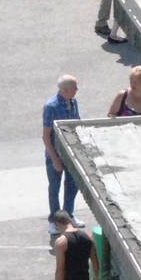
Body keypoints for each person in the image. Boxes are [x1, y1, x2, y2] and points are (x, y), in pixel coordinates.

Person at [42, 75, 82, 232]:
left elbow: (77, 125)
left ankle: (68, 216)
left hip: (71, 153)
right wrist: (55, 159)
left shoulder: (73, 102)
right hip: (56, 154)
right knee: (54, 187)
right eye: (74, 87)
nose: (77, 90)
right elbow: (46, 136)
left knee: (72, 186)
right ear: (65, 90)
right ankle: (54, 220)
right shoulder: (51, 106)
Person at [51, 209, 99, 280]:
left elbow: (60, 270)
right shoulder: (88, 237)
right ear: (69, 220)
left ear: (58, 224)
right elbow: (95, 264)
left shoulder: (61, 242)